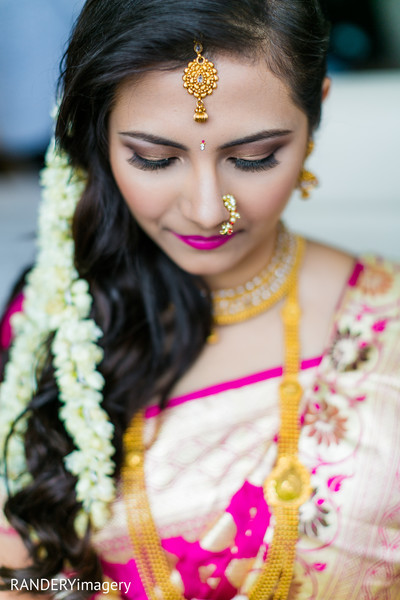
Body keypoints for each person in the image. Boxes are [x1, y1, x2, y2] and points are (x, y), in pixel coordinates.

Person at [0, 1, 399, 599]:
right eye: (155, 159)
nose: (209, 210)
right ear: (100, 140)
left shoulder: (387, 321)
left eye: (253, 158)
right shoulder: (55, 319)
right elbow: (20, 575)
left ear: (316, 114)